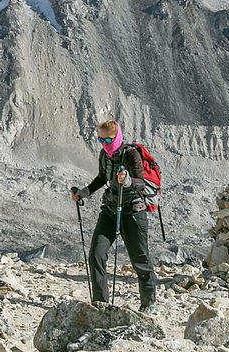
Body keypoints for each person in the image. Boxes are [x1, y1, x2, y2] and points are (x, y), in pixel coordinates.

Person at [71, 119, 158, 312]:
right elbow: (102, 178)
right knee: (96, 254)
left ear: (116, 137)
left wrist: (127, 181)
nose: (104, 145)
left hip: (133, 211)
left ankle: (148, 301)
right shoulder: (104, 155)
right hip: (110, 208)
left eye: (107, 140)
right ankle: (101, 303)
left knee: (140, 259)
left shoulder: (131, 154)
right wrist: (84, 192)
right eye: (101, 141)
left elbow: (140, 183)